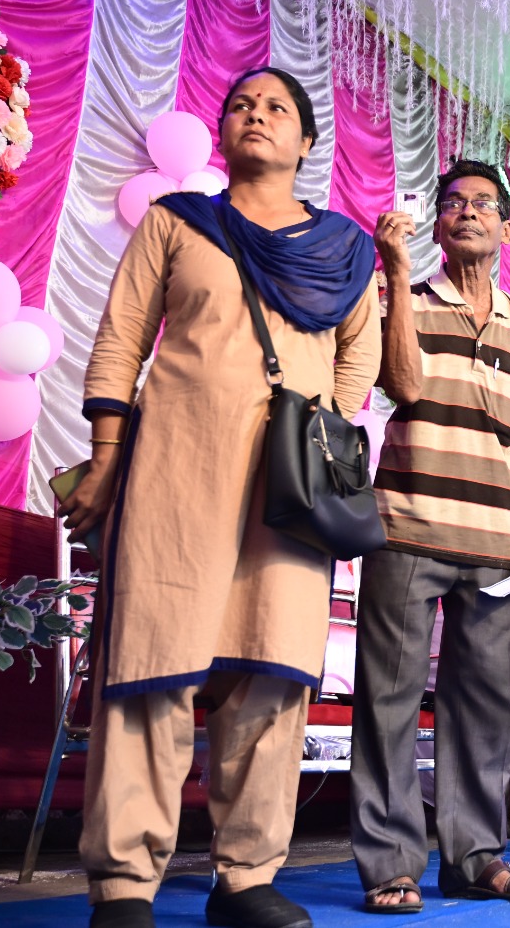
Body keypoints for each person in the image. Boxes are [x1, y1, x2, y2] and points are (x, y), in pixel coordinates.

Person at [62, 67, 381, 928]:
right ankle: (125, 882)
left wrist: (319, 428)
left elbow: (361, 350)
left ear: (306, 142)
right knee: (151, 665)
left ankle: (245, 877)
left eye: (277, 108)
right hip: (177, 466)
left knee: (272, 671)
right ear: (224, 131)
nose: (256, 115)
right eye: (242, 105)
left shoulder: (345, 249)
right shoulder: (177, 222)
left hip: (291, 489)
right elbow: (121, 339)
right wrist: (105, 457)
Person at [349, 160, 510, 912]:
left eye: (484, 204)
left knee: (484, 704)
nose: (468, 211)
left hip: (497, 541)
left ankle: (474, 858)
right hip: (407, 527)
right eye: (454, 203)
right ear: (437, 225)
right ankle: (391, 863)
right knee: (390, 699)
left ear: (505, 227)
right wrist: (396, 270)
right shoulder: (400, 298)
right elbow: (402, 385)